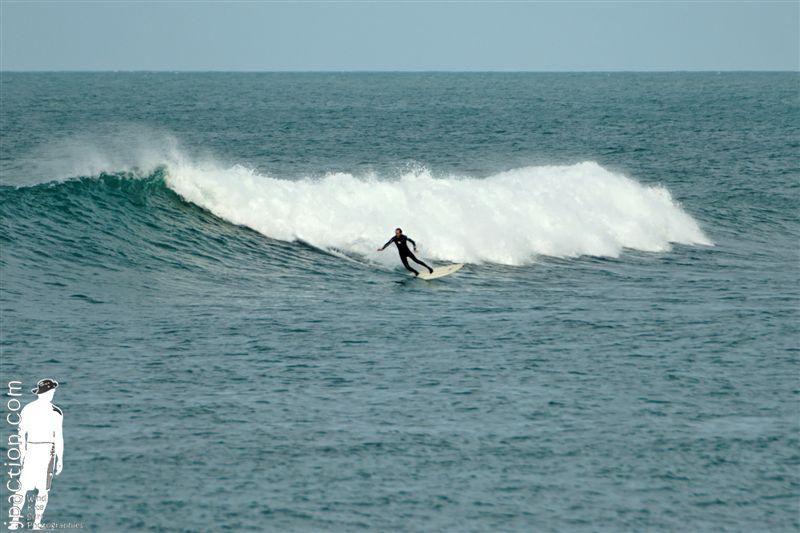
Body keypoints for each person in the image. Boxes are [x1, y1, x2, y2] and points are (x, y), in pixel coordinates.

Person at [9, 379, 64, 531]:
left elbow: (21, 435)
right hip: (42, 450)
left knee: (33, 489)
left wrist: (22, 454)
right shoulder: (53, 412)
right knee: (34, 489)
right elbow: (57, 437)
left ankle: (24, 521)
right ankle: (32, 522)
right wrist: (59, 458)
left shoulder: (30, 409)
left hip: (39, 450)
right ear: (46, 392)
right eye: (52, 391)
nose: (53, 393)